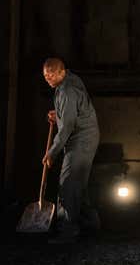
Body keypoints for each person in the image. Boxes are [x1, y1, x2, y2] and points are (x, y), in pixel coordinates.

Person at [42, 57, 101, 244]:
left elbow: (67, 127)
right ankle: (91, 225)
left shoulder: (67, 90)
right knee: (78, 183)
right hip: (86, 135)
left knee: (67, 182)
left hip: (81, 139)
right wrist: (58, 114)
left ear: (62, 72)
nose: (48, 79)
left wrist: (51, 152)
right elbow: (70, 111)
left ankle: (67, 230)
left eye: (52, 75)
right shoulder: (70, 80)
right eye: (45, 76)